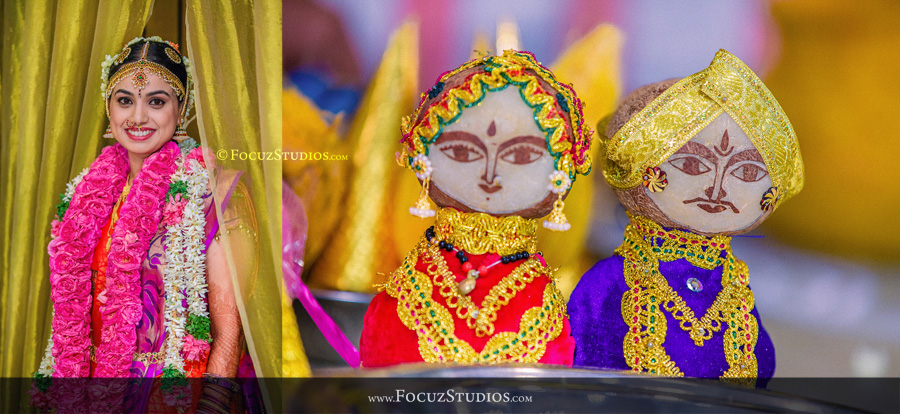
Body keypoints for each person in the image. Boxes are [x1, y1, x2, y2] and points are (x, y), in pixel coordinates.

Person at [30, 36, 259, 413]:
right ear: (109, 109)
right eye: (125, 100)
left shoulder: (215, 194)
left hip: (175, 395)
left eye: (156, 101)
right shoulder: (88, 195)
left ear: (181, 109)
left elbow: (229, 335)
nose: (137, 117)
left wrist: (214, 406)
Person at [568, 50, 804, 387]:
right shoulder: (609, 284)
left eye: (747, 170)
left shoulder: (734, 288)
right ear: (637, 166)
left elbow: (761, 368)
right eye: (693, 165)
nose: (717, 189)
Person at [359, 50, 592, 367]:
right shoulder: (410, 287)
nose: (490, 174)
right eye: (462, 151)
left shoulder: (541, 294)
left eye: (521, 156)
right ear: (422, 155)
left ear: (561, 170)